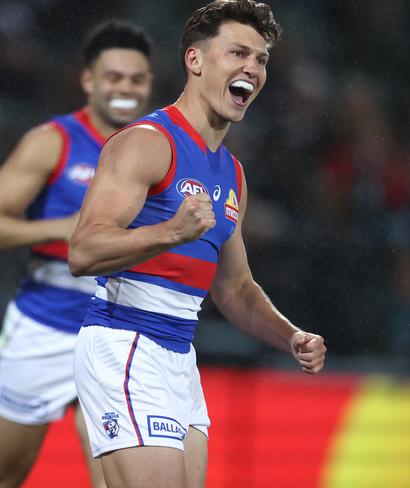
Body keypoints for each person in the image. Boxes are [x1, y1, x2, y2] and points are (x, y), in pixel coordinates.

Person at [68, 2, 327, 487]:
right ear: (195, 60)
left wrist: (289, 335)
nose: (252, 67)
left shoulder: (231, 173)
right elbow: (83, 252)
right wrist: (169, 232)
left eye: (262, 59)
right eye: (238, 53)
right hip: (126, 344)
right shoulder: (146, 142)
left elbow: (235, 288)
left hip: (178, 355)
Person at [0, 20, 153, 488]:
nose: (125, 88)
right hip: (44, 327)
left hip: (119, 334)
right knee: (1, 479)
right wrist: (59, 228)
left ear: (149, 84)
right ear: (88, 81)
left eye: (136, 79)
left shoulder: (161, 149)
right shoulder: (53, 141)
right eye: (113, 77)